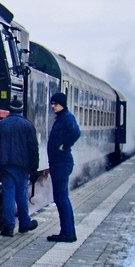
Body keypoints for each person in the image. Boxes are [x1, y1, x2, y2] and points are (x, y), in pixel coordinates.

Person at [0, 96, 40, 237]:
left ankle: (8, 226)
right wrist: (34, 168)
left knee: (8, 195)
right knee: (21, 195)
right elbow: (33, 149)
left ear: (9, 109)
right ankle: (24, 224)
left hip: (5, 165)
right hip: (22, 165)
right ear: (21, 109)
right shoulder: (27, 125)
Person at [47, 92, 81, 243]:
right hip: (58, 163)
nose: (53, 106)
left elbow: (75, 132)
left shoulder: (67, 118)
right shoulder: (61, 117)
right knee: (60, 198)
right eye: (52, 104)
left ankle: (68, 232)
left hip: (62, 162)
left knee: (61, 198)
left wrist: (64, 146)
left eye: (55, 103)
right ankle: (66, 231)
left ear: (62, 103)